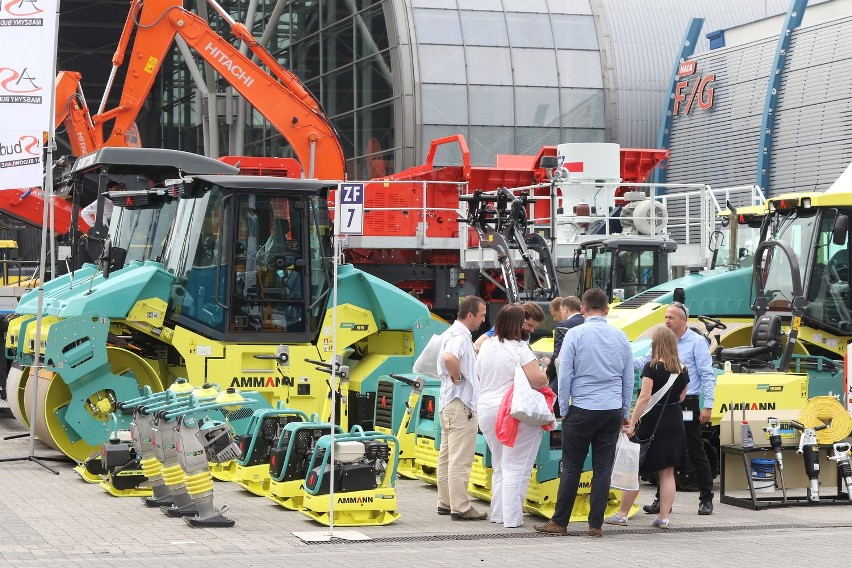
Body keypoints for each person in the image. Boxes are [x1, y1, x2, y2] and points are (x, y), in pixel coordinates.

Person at [534, 288, 633, 538]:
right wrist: (624, 410)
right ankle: (595, 525)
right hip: (611, 409)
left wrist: (564, 408)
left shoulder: (575, 334)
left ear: (583, 309)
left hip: (582, 408)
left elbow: (565, 372)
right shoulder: (621, 337)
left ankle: (559, 522)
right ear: (607, 309)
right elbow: (628, 377)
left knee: (571, 467)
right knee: (602, 469)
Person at [604, 326, 689, 529]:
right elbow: (682, 397)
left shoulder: (651, 367)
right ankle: (663, 518)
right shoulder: (682, 368)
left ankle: (623, 514)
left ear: (656, 344)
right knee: (667, 472)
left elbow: (644, 397)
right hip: (674, 420)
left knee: (634, 469)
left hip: (652, 421)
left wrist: (632, 422)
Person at [636, 301, 716, 515]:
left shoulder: (697, 343)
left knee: (695, 448)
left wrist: (708, 405)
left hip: (687, 402)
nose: (667, 321)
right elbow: (645, 362)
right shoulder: (663, 342)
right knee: (662, 452)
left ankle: (706, 498)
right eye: (665, 317)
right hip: (664, 405)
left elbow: (708, 375)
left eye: (671, 317)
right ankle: (661, 502)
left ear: (684, 320)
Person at [475, 304, 549, 528]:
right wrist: (544, 370)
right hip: (512, 410)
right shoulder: (520, 350)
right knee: (517, 466)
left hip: (486, 409)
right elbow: (539, 381)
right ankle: (512, 518)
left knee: (500, 464)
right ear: (518, 325)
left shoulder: (486, 345)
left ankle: (498, 513)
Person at [436, 295, 488, 521]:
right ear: (470, 315)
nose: (483, 321)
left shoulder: (449, 332)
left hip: (448, 403)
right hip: (461, 404)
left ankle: (445, 502)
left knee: (446, 456)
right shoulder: (460, 336)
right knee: (460, 458)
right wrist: (457, 376)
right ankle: (461, 507)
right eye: (481, 315)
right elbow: (449, 358)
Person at [546, 296, 584, 415]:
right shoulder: (587, 322)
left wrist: (547, 373)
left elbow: (558, 355)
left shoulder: (563, 326)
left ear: (565, 309)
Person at [474, 301, 545, 351]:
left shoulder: (525, 332)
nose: (532, 330)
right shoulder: (504, 328)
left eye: (535, 327)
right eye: (530, 325)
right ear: (521, 319)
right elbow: (478, 343)